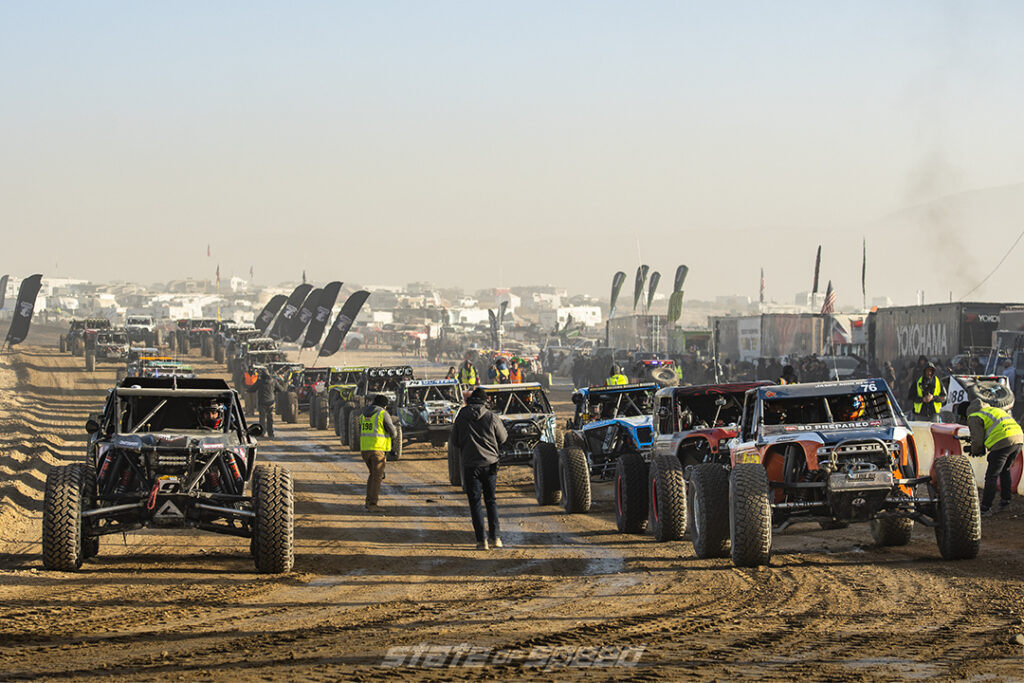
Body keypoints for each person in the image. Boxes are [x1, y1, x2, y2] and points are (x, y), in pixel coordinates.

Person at [453, 388, 508, 550]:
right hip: (490, 464)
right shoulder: (492, 417)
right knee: (491, 501)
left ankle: (481, 541)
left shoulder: (461, 416)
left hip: (470, 465)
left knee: (475, 502)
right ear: (485, 401)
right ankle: (496, 538)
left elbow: (455, 441)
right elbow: (503, 438)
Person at [967, 399, 1022, 516]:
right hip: (1018, 439)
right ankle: (1005, 502)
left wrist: (975, 450)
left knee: (992, 475)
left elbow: (977, 441)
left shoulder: (975, 416)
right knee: (1005, 470)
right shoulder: (996, 410)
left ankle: (986, 508)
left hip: (1003, 441)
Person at [359, 393, 397, 511]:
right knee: (377, 478)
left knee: (373, 476)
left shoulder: (363, 415)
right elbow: (393, 432)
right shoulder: (382, 413)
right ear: (384, 405)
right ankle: (372, 505)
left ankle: (368, 502)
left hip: (365, 450)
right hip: (377, 450)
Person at [251, 368, 284, 438]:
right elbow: (281, 389)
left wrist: (247, 390)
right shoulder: (273, 381)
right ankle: (271, 433)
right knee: (270, 418)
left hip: (261, 402)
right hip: (270, 402)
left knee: (262, 418)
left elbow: (253, 389)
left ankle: (262, 433)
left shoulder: (259, 381)